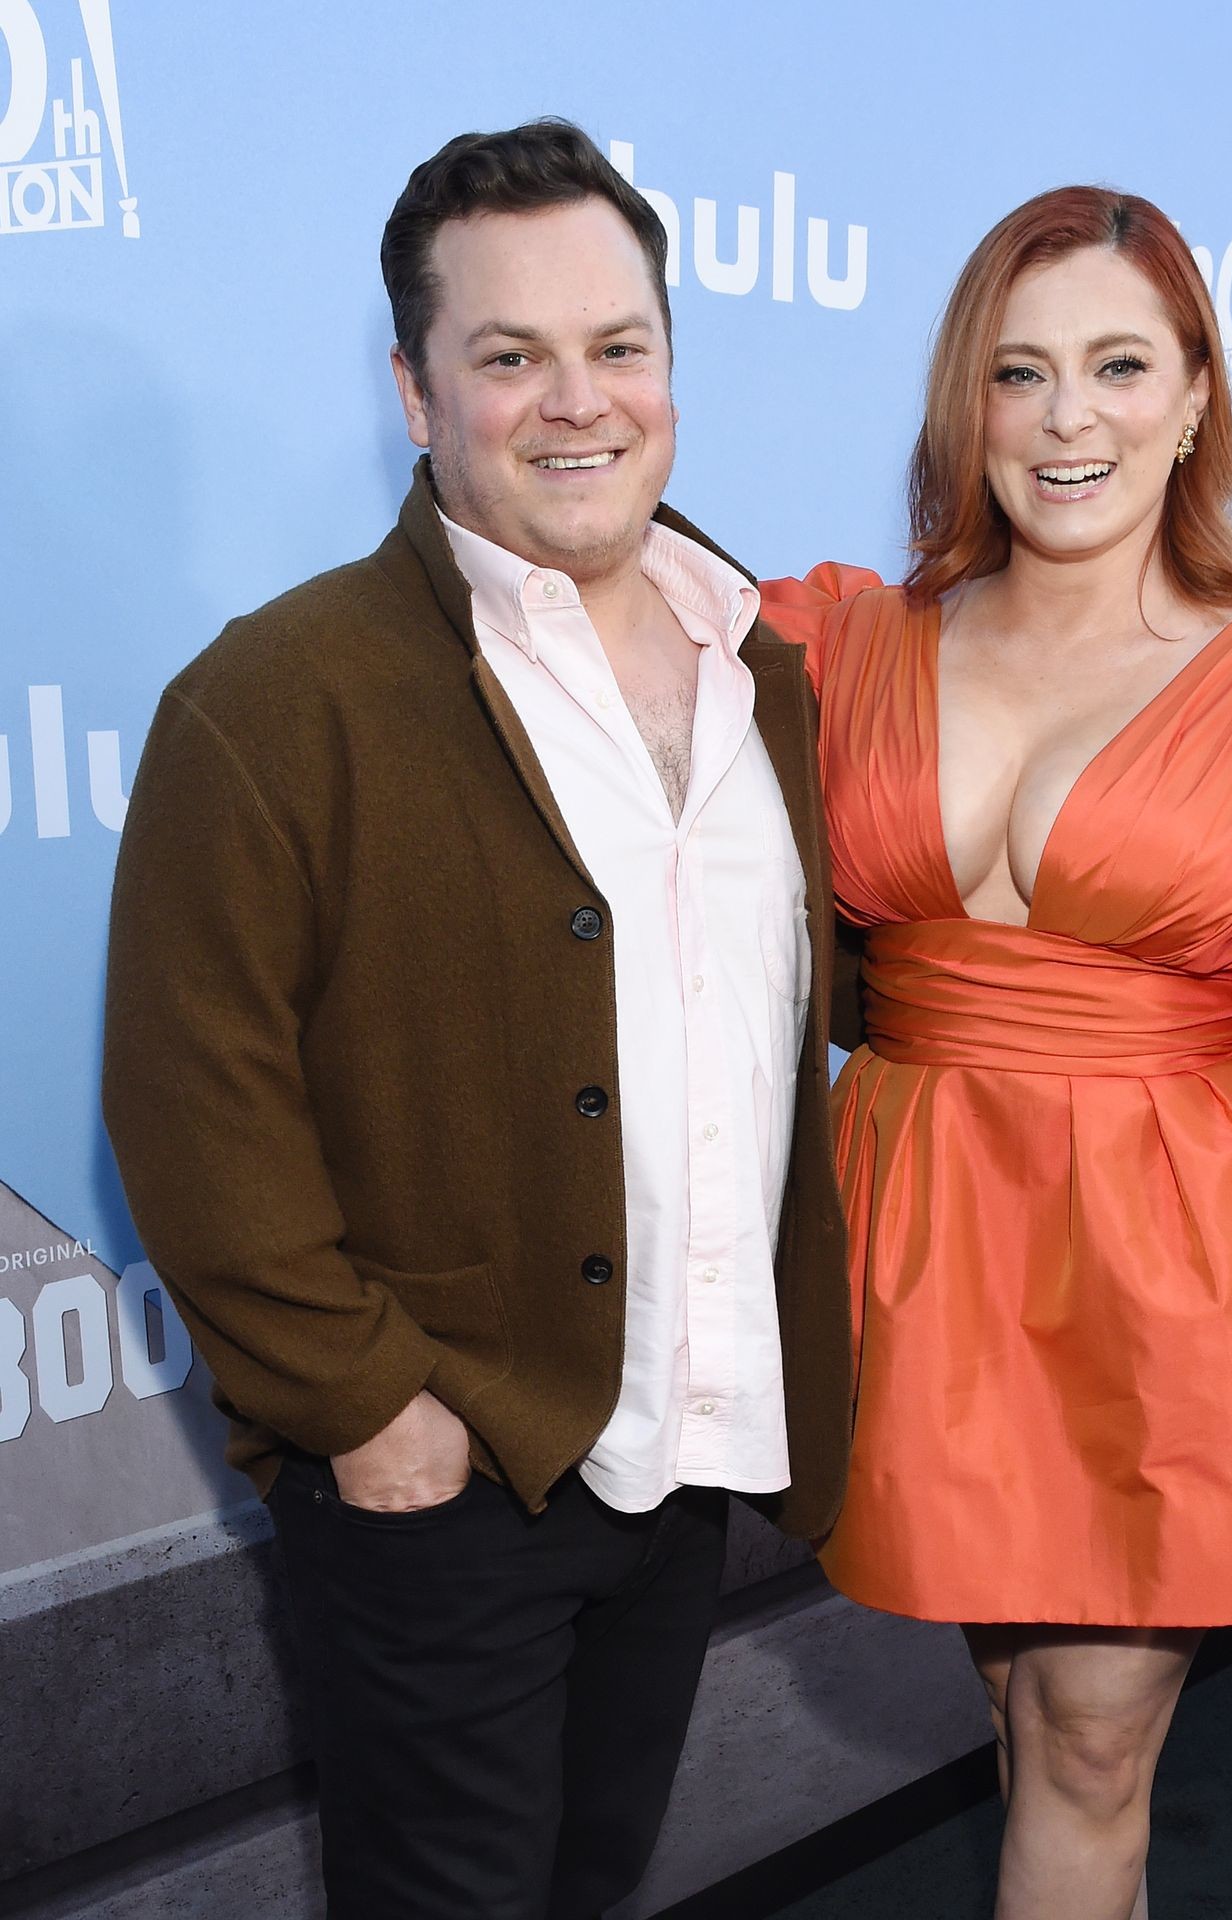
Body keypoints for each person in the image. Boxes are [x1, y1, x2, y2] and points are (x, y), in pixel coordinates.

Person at [762, 186, 1232, 1920]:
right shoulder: (842, 644)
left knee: (1095, 1745)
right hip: (917, 1255)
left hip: (1172, 1275)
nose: (1069, 420)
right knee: (1021, 1713)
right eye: (1020, 373)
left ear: (1197, 395)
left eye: (1120, 366)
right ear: (969, 405)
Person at [101, 119, 850, 1920]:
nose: (577, 402)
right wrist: (369, 1410)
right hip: (445, 1484)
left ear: (670, 364)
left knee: (595, 1885)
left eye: (618, 346)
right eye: (510, 356)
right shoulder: (276, 699)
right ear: (416, 391)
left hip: (686, 1463)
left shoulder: (764, 672)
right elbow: (192, 1106)